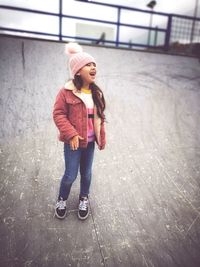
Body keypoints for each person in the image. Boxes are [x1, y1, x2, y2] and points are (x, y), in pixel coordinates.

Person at [53, 42, 106, 220]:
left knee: (87, 174)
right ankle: (62, 198)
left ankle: (84, 197)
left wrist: (101, 138)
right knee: (70, 175)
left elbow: (99, 119)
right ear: (77, 71)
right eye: (89, 64)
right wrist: (72, 134)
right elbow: (58, 114)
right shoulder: (66, 92)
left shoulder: (96, 94)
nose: (93, 67)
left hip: (89, 143)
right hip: (73, 143)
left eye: (94, 65)